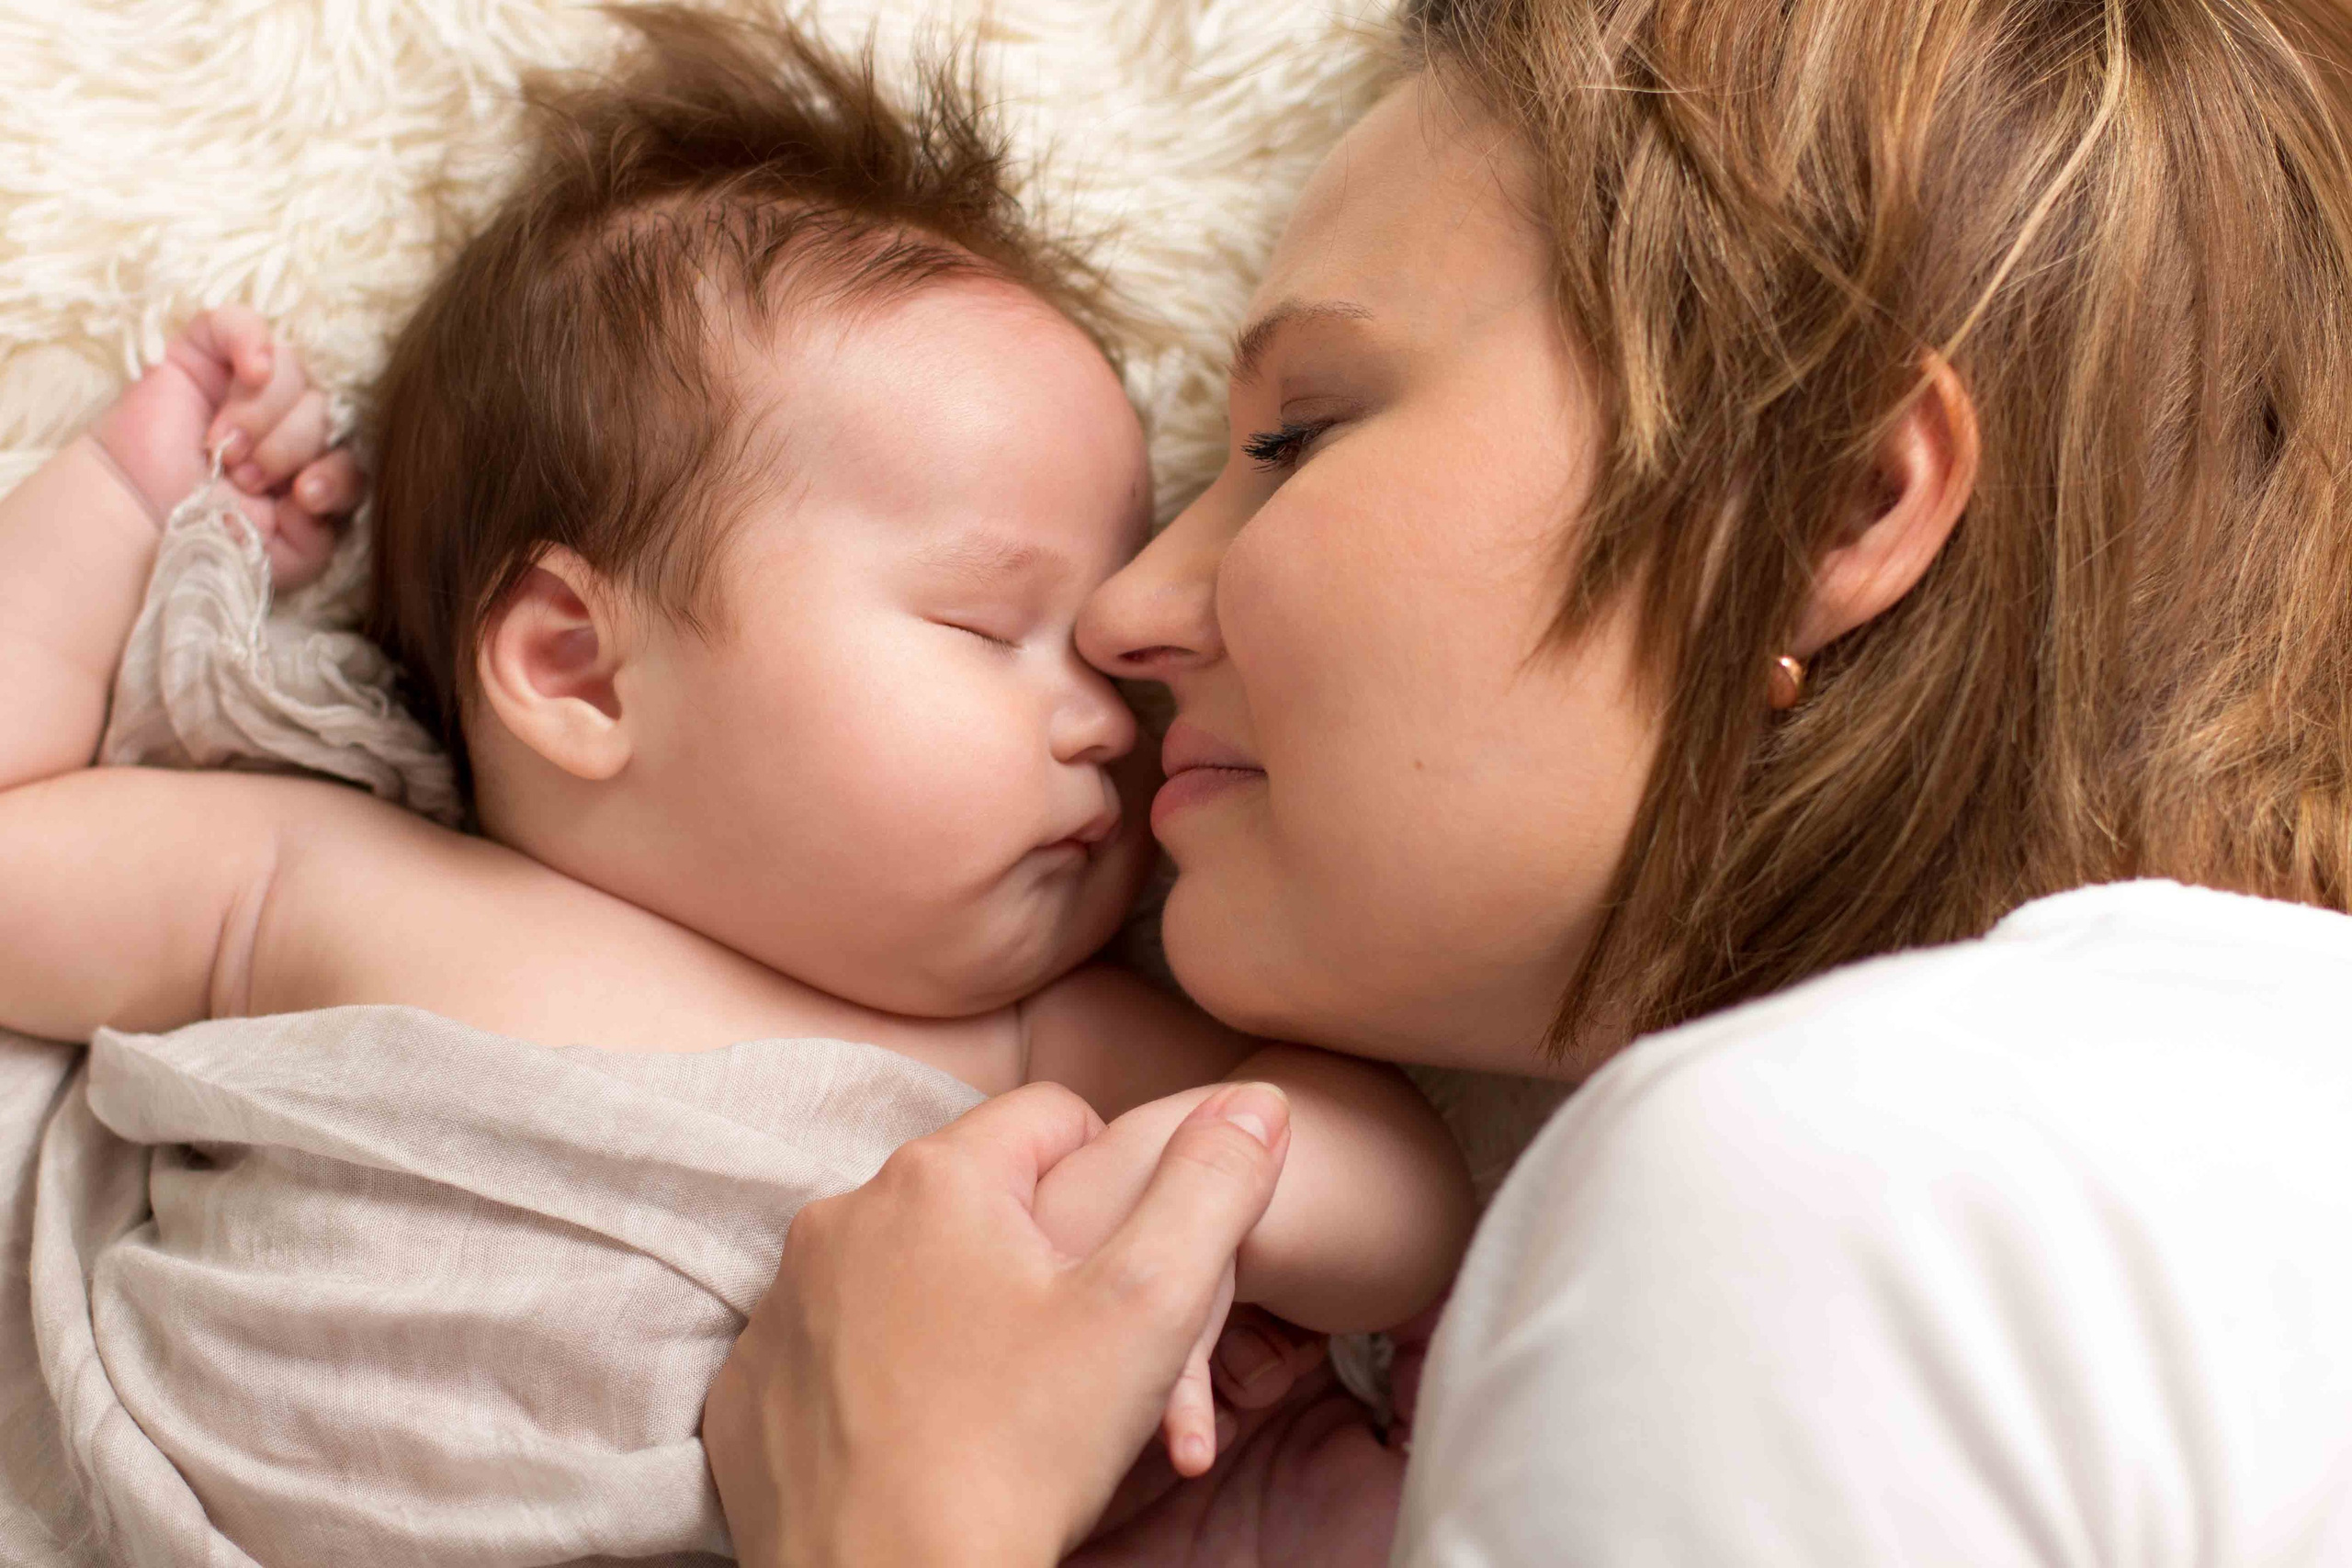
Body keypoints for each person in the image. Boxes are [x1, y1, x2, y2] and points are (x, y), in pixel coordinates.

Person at [701, 0, 2352, 1560]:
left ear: (1821, 503)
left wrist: (898, 1511)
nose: (1125, 615)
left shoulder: (1821, 1192)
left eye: (1299, 438)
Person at [0, 7, 1470, 1558]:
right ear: (575, 668)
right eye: (985, 625)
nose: (1109, 715)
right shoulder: (319, 883)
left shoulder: (1022, 1056)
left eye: (1106, 661)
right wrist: (117, 497)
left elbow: (1405, 1202)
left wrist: (1192, 1196)